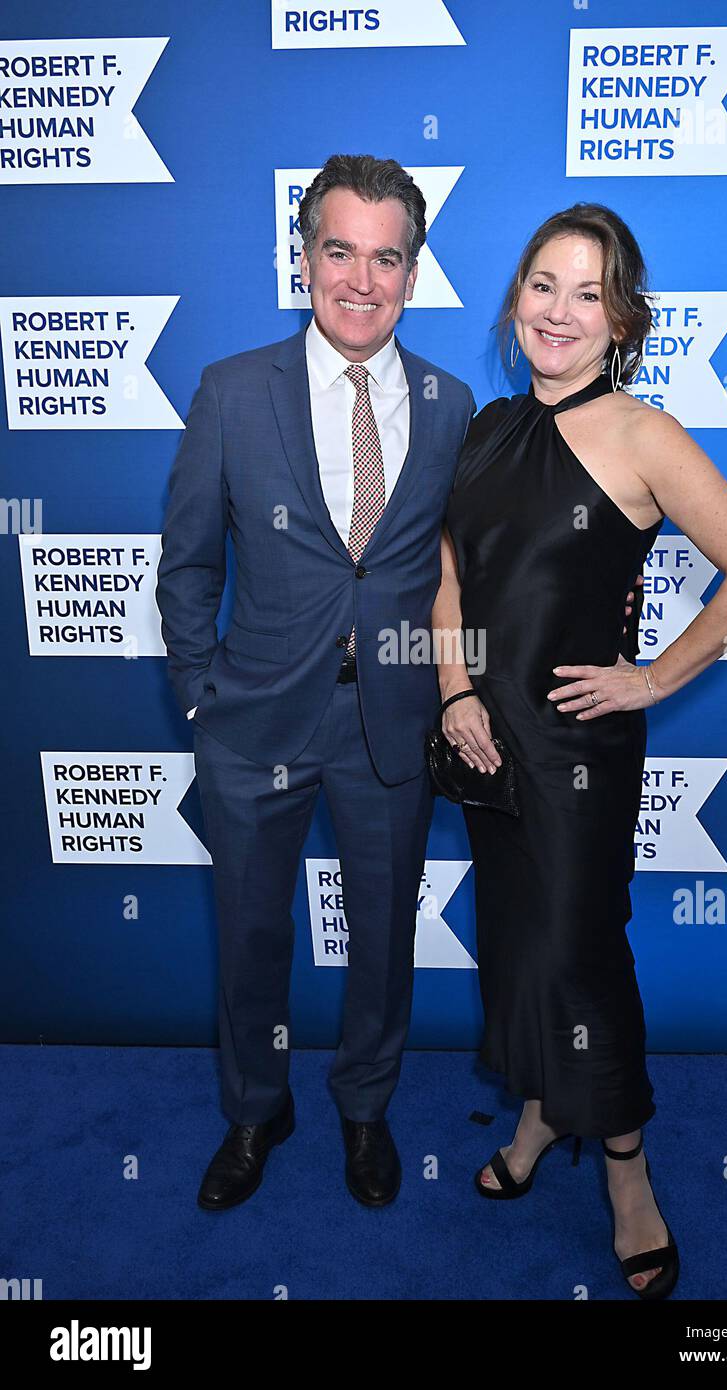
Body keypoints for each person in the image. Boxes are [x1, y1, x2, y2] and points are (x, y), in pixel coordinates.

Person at [433, 203, 727, 1298]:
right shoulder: (487, 426)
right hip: (484, 743)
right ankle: (541, 1116)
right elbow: (447, 577)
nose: (559, 311)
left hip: (579, 754)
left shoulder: (642, 433)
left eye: (588, 294)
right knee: (514, 947)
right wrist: (453, 690)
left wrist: (651, 676)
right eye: (544, 284)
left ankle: (628, 1173)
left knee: (582, 953)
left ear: (621, 318)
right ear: (516, 300)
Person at [155, 154, 478, 1211]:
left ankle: (365, 1106)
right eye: (340, 250)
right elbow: (191, 560)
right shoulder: (231, 390)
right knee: (250, 934)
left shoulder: (449, 402)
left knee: (383, 936)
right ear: (304, 259)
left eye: (388, 258)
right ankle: (256, 1108)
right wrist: (205, 693)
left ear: (414, 273)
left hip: (388, 721)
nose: (362, 279)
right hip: (252, 721)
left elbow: (459, 568)